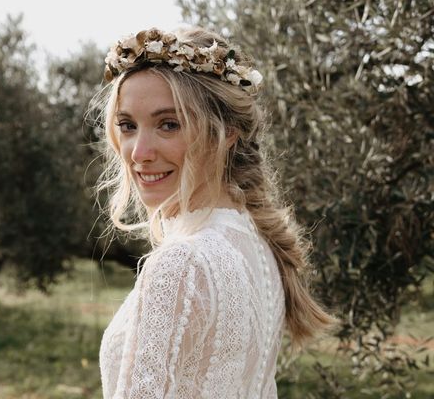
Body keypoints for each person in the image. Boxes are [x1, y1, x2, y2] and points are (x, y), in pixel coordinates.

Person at [92, 27, 336, 398]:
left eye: (168, 124)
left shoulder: (182, 264)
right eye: (127, 125)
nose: (139, 152)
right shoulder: (258, 246)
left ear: (227, 132)